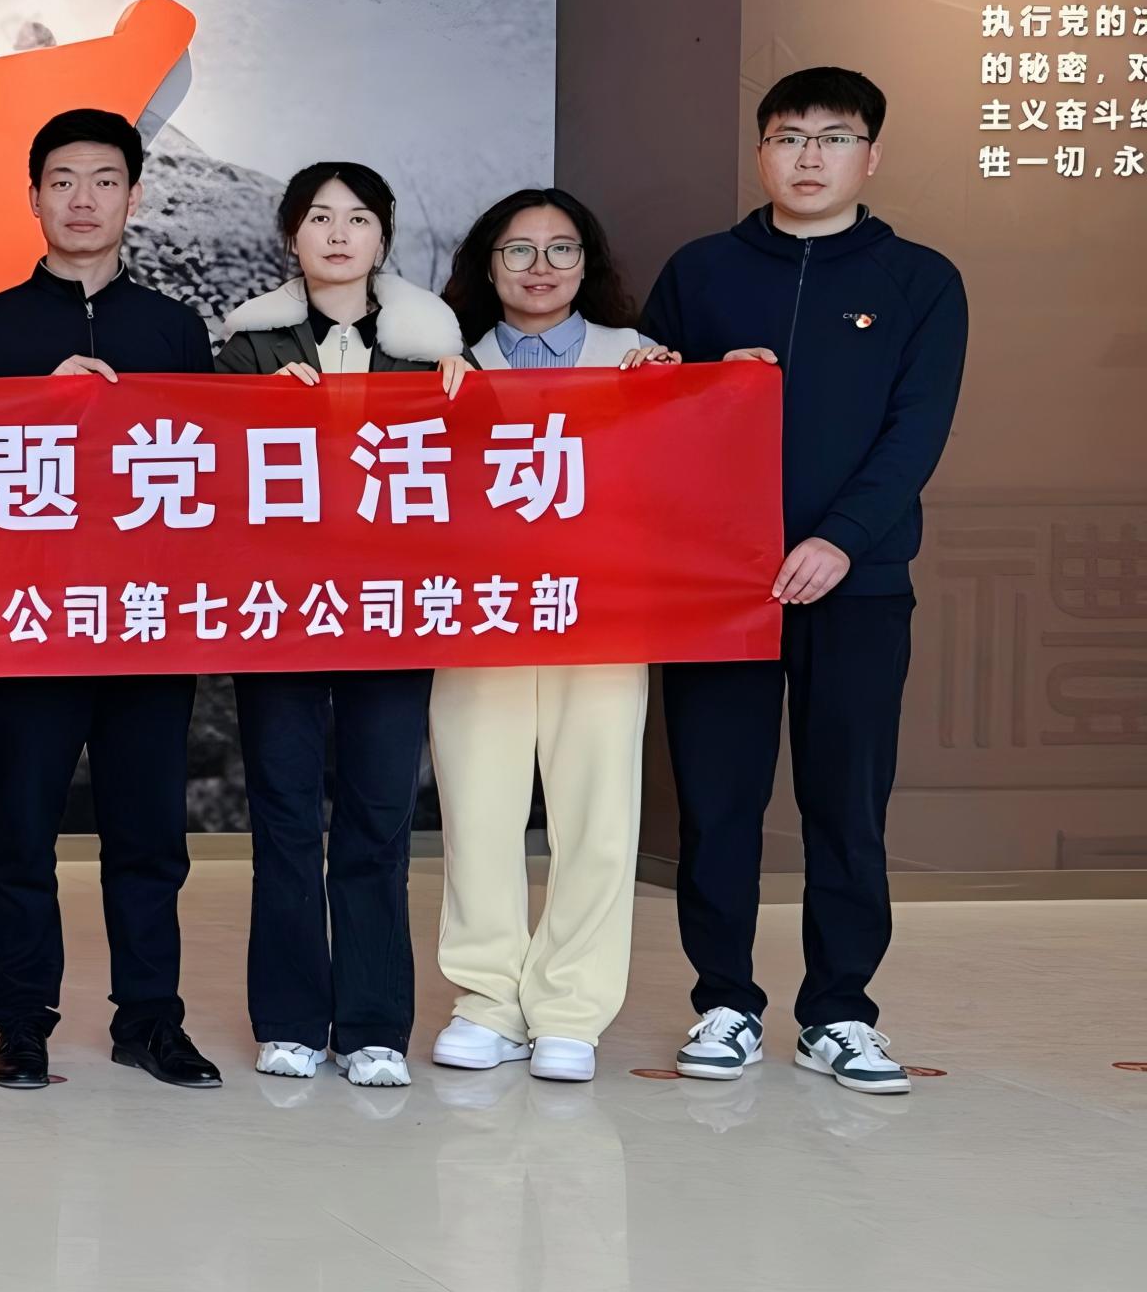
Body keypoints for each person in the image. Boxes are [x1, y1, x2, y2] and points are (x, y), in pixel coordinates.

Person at [640, 67, 965, 1096]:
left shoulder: (921, 280)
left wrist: (841, 541)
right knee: (717, 804)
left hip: (854, 586)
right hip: (718, 589)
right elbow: (645, 420)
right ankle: (725, 1002)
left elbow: (916, 431)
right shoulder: (701, 271)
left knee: (846, 803)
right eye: (788, 137)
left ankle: (840, 1011)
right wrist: (678, 382)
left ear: (872, 155)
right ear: (760, 152)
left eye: (834, 137)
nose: (809, 157)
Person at [0, 107, 222, 1093]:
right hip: (29, 622)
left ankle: (150, 1018)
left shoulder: (174, 329)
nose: (83, 199)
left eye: (104, 180)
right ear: (33, 197)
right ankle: (21, 1021)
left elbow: (212, 475)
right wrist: (38, 404)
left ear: (134, 196)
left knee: (150, 836)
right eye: (62, 181)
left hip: (146, 620)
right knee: (21, 829)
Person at [210, 161, 463, 1092]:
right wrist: (254, 414)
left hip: (391, 609)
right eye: (319, 217)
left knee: (378, 816)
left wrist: (467, 396)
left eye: (359, 219)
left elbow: (474, 473)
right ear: (292, 235)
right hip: (279, 609)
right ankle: (287, 1018)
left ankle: (372, 1024)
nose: (339, 234)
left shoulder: (433, 349)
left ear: (383, 237)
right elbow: (207, 471)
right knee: (283, 815)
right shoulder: (246, 346)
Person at [427, 187, 677, 1085]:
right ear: (487, 265)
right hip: (481, 612)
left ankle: (572, 1008)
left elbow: (683, 477)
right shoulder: (448, 364)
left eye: (561, 248)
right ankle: (487, 1000)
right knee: (479, 813)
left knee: (598, 816)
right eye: (519, 250)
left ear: (587, 262)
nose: (540, 267)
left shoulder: (639, 359)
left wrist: (682, 389)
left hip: (601, 613)